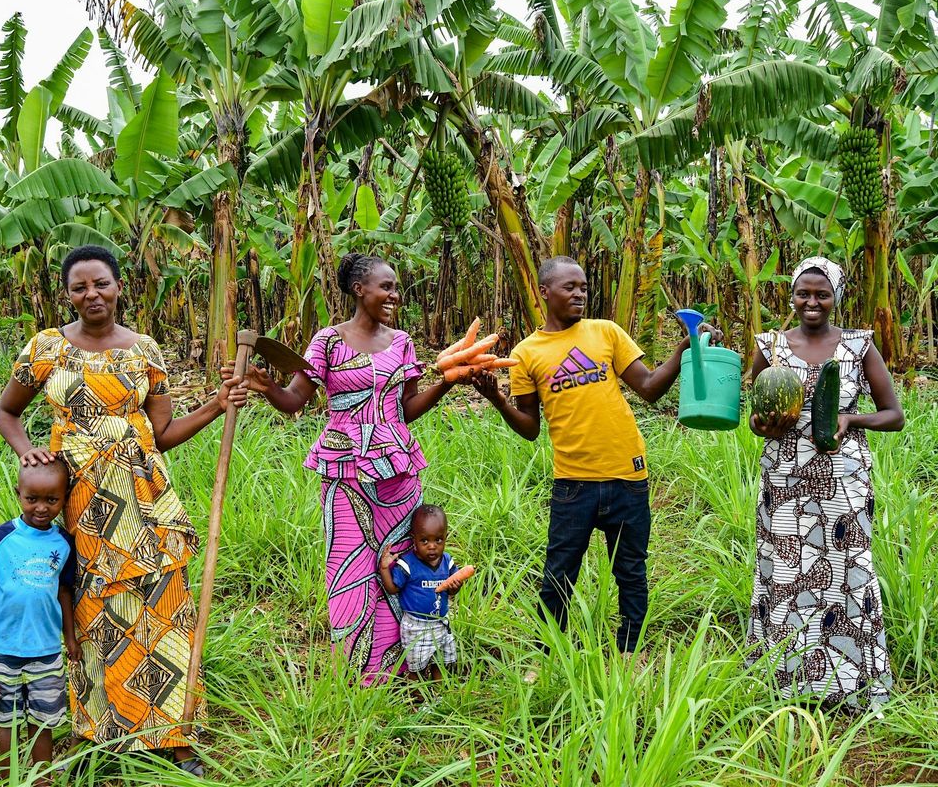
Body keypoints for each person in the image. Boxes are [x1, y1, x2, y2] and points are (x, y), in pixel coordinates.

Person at [0, 245, 246, 776]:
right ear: (67, 294)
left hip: (146, 498)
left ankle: (174, 737)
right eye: (80, 287)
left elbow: (163, 434)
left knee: (165, 609)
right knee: (95, 615)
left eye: (101, 284)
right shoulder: (45, 348)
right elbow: (7, 410)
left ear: (118, 286)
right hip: (83, 503)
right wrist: (27, 451)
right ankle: (106, 731)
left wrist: (216, 405)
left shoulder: (144, 351)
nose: (92, 295)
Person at [472, 256, 718, 679]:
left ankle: (630, 654)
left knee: (631, 571)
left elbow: (649, 388)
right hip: (573, 484)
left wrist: (681, 350)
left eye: (584, 286)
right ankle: (548, 657)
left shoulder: (606, 332)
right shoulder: (527, 353)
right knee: (559, 573)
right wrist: (497, 399)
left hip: (628, 475)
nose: (580, 293)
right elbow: (530, 427)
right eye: (569, 287)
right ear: (545, 292)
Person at [234, 253, 458, 685]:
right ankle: (359, 671)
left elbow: (407, 409)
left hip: (398, 470)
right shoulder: (328, 342)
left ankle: (408, 661)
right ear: (359, 290)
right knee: (349, 567)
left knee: (400, 562)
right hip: (344, 470)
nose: (394, 295)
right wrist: (268, 389)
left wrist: (445, 383)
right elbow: (295, 401)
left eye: (395, 287)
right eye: (385, 286)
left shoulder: (402, 342)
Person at [748, 256, 903, 712]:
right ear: (792, 296)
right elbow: (755, 416)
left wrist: (850, 417)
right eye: (803, 293)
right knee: (786, 572)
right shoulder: (771, 346)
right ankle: (788, 680)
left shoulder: (858, 345)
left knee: (847, 571)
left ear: (835, 297)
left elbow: (893, 414)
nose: (811, 302)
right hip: (785, 476)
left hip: (842, 477)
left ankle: (851, 683)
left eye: (821, 294)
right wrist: (764, 426)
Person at [0, 459, 79, 787]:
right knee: (6, 720)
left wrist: (70, 638)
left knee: (43, 719)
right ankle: (6, 777)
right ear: (19, 494)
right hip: (2, 649)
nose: (41, 508)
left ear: (64, 498)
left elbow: (65, 593)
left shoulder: (65, 543)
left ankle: (41, 778)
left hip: (45, 649)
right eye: (32, 499)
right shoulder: (1, 538)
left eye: (51, 500)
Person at [378, 504, 464, 680]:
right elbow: (393, 589)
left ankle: (441, 698)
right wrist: (384, 568)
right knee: (416, 667)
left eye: (438, 540)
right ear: (414, 539)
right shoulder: (408, 564)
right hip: (417, 625)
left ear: (445, 538)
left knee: (441, 662)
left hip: (441, 622)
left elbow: (454, 589)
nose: (432, 547)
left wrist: (456, 585)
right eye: (424, 541)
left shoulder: (447, 562)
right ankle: (418, 701)